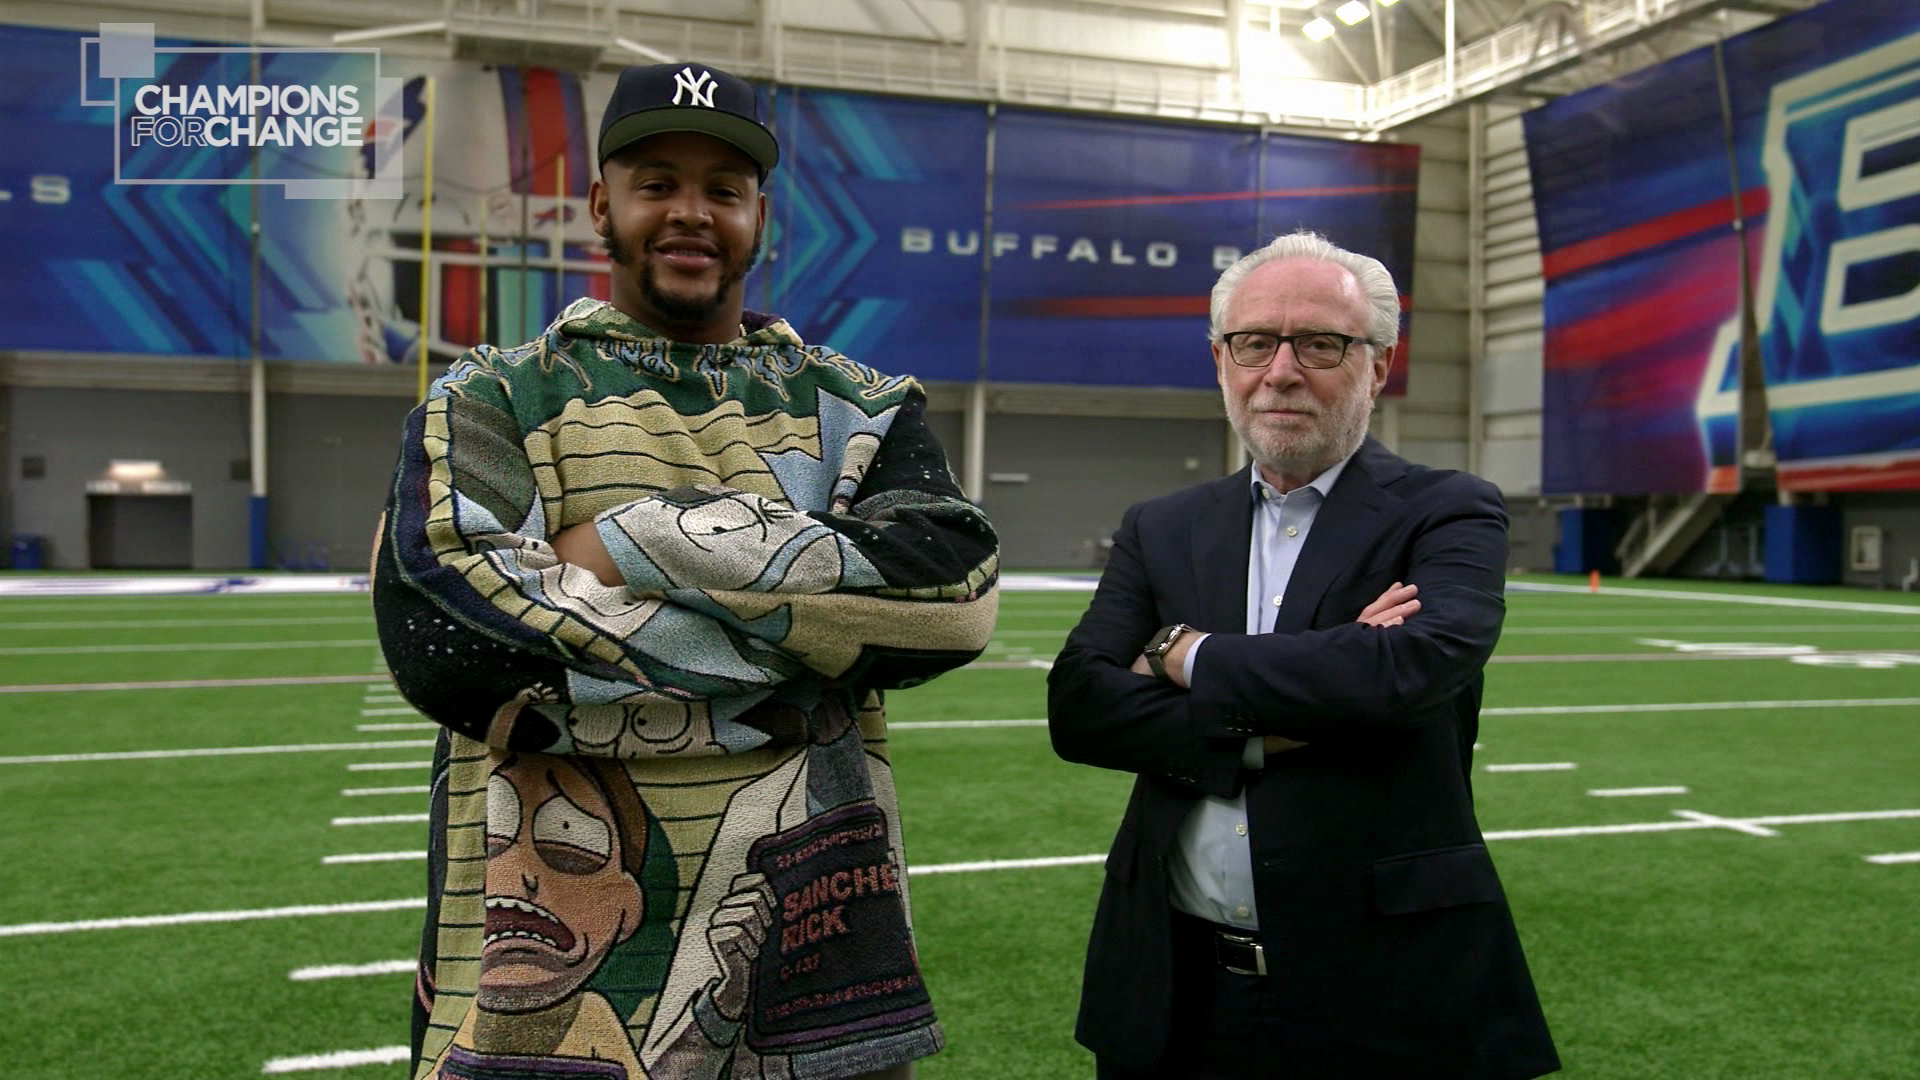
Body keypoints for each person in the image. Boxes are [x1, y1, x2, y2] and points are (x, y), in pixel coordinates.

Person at [372, 61, 1000, 1080]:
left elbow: (954, 599)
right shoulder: (493, 398)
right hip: (552, 989)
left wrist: (635, 542)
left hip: (818, 960)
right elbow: (451, 641)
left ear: (761, 215)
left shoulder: (861, 405)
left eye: (722, 189)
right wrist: (808, 651)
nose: (690, 213)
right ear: (600, 206)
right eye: (657, 181)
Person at [1047, 231, 1559, 1080]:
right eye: (1255, 342)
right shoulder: (1162, 526)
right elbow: (1079, 708)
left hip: (1386, 988)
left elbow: (1404, 672)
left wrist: (1182, 652)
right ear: (1221, 358)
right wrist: (1264, 727)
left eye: (1321, 344)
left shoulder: (1450, 511)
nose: (1281, 370)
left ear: (1378, 365)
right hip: (1172, 983)